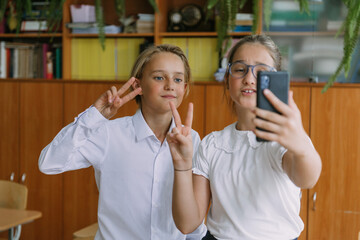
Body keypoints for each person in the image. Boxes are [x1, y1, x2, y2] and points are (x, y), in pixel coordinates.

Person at [38, 44, 206, 240]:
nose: (170, 85)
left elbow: (191, 218)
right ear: (138, 85)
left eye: (178, 79)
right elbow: (49, 164)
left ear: (184, 89)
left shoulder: (191, 139)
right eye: (159, 77)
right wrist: (94, 117)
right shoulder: (109, 133)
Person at [167, 35, 322, 240]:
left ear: (277, 80)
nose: (249, 78)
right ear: (227, 79)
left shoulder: (286, 139)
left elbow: (306, 177)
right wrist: (182, 165)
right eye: (240, 70)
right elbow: (187, 224)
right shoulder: (212, 144)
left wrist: (300, 146)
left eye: (261, 72)